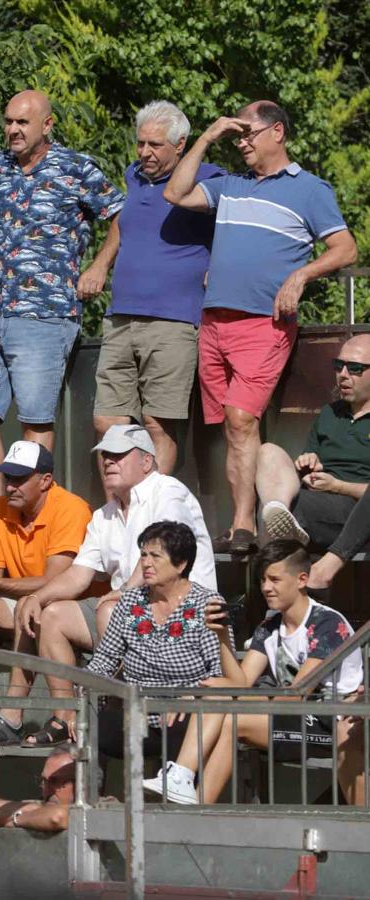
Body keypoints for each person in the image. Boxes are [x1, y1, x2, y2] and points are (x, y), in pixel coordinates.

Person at [163, 101, 358, 555]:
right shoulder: (230, 185)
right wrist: (208, 136)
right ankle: (242, 524)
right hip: (214, 322)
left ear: (278, 132)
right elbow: (175, 193)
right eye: (237, 136)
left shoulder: (308, 189)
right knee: (232, 427)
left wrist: (301, 275)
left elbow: (345, 249)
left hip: (264, 324)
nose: (243, 142)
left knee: (240, 417)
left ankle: (244, 523)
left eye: (249, 133)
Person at [0, 89, 125, 504]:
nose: (13, 129)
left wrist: (99, 266)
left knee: (35, 421)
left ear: (47, 125)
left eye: (23, 122)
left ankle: (35, 513)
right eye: (9, 121)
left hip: (47, 314)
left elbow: (122, 216)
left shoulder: (76, 167)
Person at [13, 424, 215, 744]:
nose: (108, 461)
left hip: (184, 612)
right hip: (132, 610)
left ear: (147, 462)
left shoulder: (168, 491)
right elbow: (79, 574)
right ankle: (66, 717)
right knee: (51, 614)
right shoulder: (104, 514)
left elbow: (159, 557)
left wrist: (123, 594)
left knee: (113, 609)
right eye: (106, 455)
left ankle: (121, 710)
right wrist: (37, 597)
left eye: (119, 455)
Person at [145, 541, 364, 805]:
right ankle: (184, 782)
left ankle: (197, 801)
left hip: (331, 721)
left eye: (274, 579)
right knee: (220, 697)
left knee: (230, 716)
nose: (266, 588)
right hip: (294, 715)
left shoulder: (327, 623)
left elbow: (295, 694)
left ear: (302, 579)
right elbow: (241, 681)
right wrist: (222, 636)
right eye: (262, 580)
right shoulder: (269, 627)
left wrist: (215, 697)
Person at [91, 101, 225, 474]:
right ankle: (124, 510)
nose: (145, 153)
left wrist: (220, 265)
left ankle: (154, 515)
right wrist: (101, 263)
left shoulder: (210, 177)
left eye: (155, 145)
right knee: (107, 422)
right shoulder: (134, 175)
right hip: (120, 317)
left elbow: (237, 223)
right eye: (141, 143)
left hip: (173, 320)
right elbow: (125, 219)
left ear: (180, 145)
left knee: (158, 424)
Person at [0, 441, 95, 749]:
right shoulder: (0, 510)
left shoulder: (70, 508)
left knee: (32, 607)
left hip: (72, 607)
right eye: (8, 478)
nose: (10, 486)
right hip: (26, 602)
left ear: (45, 480)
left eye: (19, 479)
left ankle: (13, 715)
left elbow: (57, 581)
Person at [87, 522, 227, 762]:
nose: (146, 563)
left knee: (189, 730)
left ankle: (177, 796)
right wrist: (79, 700)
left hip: (185, 713)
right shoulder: (131, 601)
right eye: (143, 555)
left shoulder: (207, 603)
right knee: (88, 729)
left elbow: (219, 670)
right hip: (137, 715)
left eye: (155, 556)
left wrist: (191, 699)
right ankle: (94, 799)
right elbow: (104, 661)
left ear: (181, 564)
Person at [257, 333, 370, 590]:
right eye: (338, 366)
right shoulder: (330, 413)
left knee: (298, 510)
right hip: (323, 509)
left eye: (354, 369)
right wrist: (309, 466)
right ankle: (279, 515)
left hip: (361, 516)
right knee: (268, 452)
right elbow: (311, 464)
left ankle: (323, 568)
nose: (342, 374)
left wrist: (337, 486)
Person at [0, 748, 76, 833]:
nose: (47, 789)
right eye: (44, 781)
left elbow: (57, 817)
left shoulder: (88, 814)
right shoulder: (36, 807)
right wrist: (33, 813)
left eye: (55, 781)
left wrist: (17, 818)